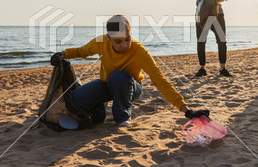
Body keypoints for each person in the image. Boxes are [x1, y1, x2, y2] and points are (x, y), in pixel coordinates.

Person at [51, 15, 209, 127]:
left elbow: (160, 80)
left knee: (118, 77)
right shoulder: (100, 42)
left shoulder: (139, 51)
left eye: (127, 39)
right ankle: (99, 112)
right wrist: (62, 54)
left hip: (131, 86)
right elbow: (81, 51)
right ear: (108, 38)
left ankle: (122, 117)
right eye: (118, 41)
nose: (124, 45)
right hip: (107, 85)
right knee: (77, 98)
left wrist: (186, 109)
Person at [192, 0, 232, 77]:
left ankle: (222, 68)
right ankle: (202, 68)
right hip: (202, 14)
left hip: (217, 13)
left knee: (221, 40)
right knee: (201, 41)